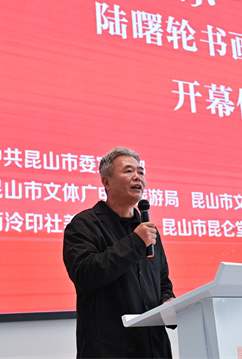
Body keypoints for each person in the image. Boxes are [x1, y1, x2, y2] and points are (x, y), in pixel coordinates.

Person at [63, 147, 175, 358]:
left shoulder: (147, 229)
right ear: (107, 182)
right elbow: (85, 275)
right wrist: (135, 242)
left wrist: (168, 301)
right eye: (128, 171)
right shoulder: (84, 225)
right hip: (109, 350)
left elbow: (162, 282)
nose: (137, 177)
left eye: (141, 172)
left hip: (154, 348)